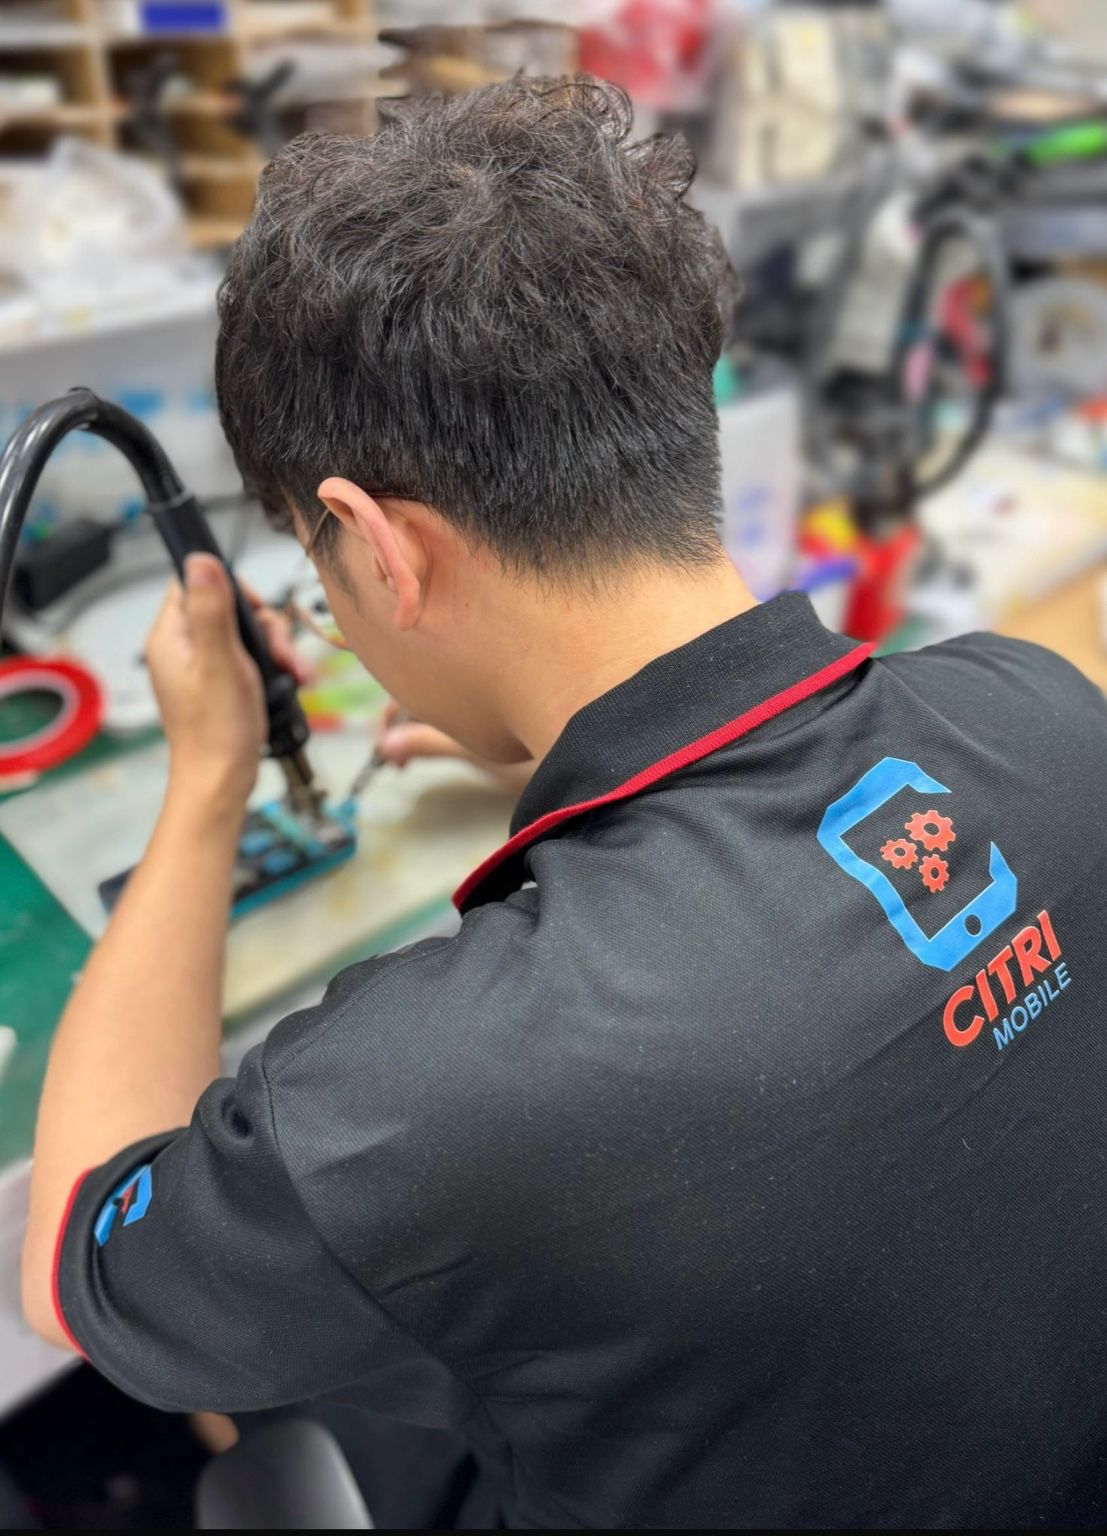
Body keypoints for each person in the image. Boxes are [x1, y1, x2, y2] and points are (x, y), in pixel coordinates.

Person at [21, 77, 1107, 1530]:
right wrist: (549, 749)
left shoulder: (411, 1103)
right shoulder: (1043, 715)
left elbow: (75, 1254)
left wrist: (210, 779)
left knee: (263, 1378)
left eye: (317, 563)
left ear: (373, 545)